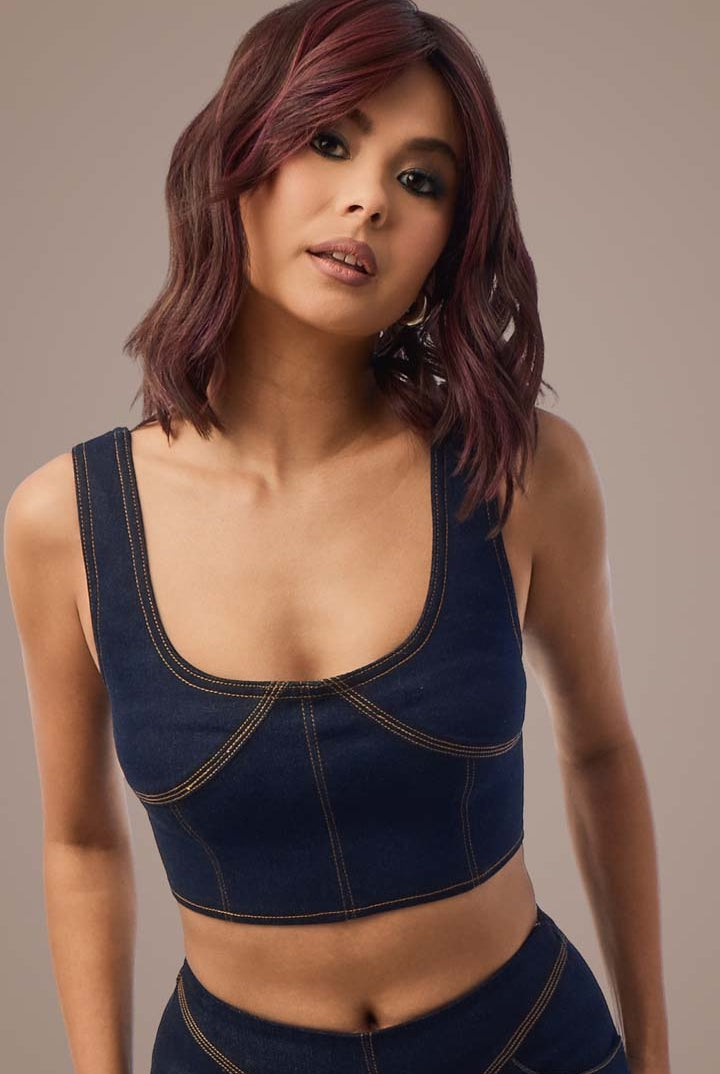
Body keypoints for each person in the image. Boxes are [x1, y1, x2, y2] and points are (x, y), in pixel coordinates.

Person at [4, 1, 670, 1072]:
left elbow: (599, 750)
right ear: (241, 158)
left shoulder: (521, 472)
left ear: (448, 242)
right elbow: (82, 842)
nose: (367, 200)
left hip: (530, 1045)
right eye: (329, 141)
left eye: (421, 180)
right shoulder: (66, 522)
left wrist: (656, 1053)